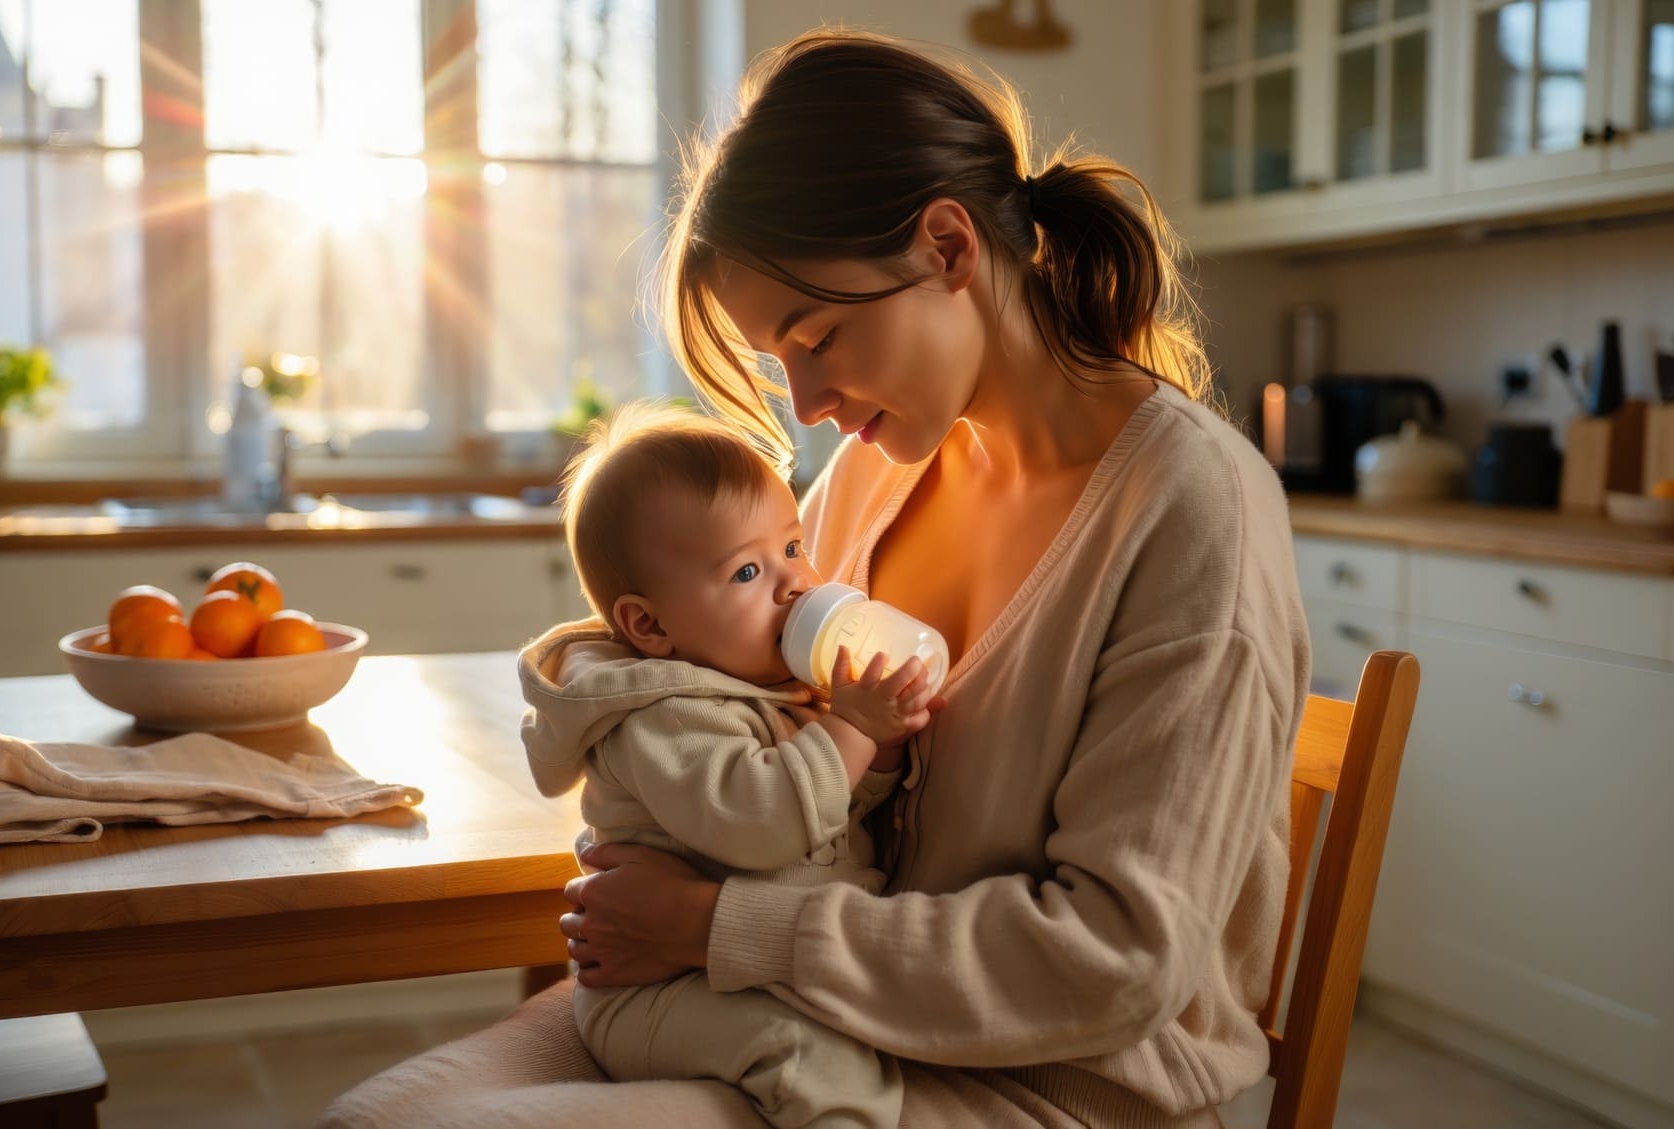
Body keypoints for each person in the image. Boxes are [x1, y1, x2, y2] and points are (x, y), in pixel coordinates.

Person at [324, 27, 1309, 1128]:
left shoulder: (1189, 509)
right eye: (777, 362)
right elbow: (777, 745)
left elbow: (1115, 964)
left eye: (819, 336)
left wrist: (711, 926)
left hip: (1041, 1088)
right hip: (818, 1006)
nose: (804, 404)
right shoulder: (873, 480)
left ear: (946, 247)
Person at [518, 403, 937, 1128]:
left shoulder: (775, 682)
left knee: (867, 1036)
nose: (793, 583)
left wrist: (880, 752)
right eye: (747, 569)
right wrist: (852, 728)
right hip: (658, 991)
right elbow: (761, 822)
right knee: (810, 1058)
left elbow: (827, 811)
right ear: (649, 625)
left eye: (795, 546)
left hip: (747, 963)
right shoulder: (662, 713)